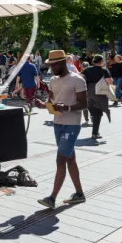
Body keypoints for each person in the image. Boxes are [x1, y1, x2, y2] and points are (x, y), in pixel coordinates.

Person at [38, 50, 87, 209]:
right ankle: (79, 194)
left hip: (72, 124)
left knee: (61, 160)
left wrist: (66, 107)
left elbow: (84, 104)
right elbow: (51, 99)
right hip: (58, 123)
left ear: (61, 62)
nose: (51, 68)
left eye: (53, 65)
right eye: (50, 65)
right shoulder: (53, 80)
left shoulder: (77, 80)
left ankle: (52, 198)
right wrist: (44, 104)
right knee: (70, 159)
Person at [82, 55, 112, 140]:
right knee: (98, 112)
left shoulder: (87, 69)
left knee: (93, 110)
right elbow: (109, 82)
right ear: (102, 62)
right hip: (100, 92)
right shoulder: (104, 70)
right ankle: (95, 133)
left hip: (89, 92)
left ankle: (94, 128)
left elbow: (80, 78)